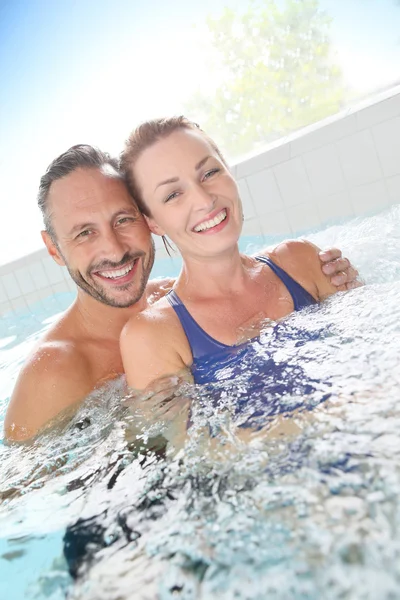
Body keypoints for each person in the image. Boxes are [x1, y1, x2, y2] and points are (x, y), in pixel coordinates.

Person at [4, 143, 358, 443]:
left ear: (149, 220)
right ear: (53, 249)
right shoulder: (54, 371)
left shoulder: (173, 308)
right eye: (84, 233)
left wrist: (340, 290)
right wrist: (135, 430)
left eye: (123, 219)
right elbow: (17, 499)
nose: (113, 250)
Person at [119, 117, 357, 403]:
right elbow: (182, 446)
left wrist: (358, 291)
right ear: (152, 222)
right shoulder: (154, 334)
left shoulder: (299, 261)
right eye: (173, 194)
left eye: (209, 173)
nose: (204, 200)